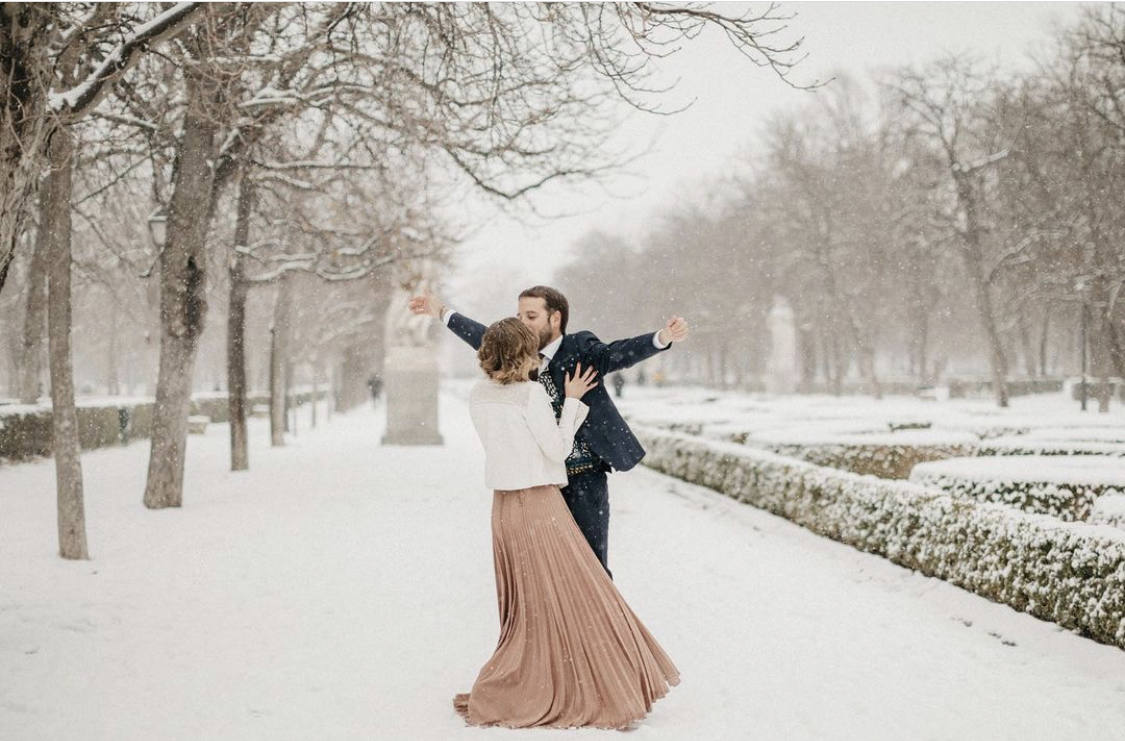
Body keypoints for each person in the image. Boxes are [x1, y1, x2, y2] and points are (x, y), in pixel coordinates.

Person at [454, 317, 679, 729]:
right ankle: (587, 681)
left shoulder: (478, 395)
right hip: (539, 505)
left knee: (531, 603)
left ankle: (536, 673)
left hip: (503, 508)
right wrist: (573, 400)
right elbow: (557, 450)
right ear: (524, 352)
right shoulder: (530, 394)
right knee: (581, 592)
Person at [410, 286, 689, 576]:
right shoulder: (517, 352)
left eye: (530, 315)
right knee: (547, 571)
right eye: (518, 315)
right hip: (539, 485)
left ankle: (596, 617)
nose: (521, 322)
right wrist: (442, 312)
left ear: (555, 319)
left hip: (583, 477)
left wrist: (662, 338)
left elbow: (617, 353)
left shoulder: (581, 349)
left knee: (590, 564)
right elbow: (481, 336)